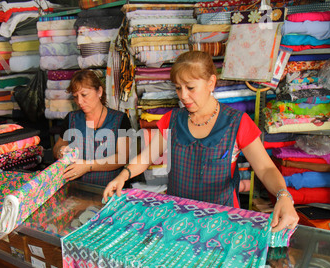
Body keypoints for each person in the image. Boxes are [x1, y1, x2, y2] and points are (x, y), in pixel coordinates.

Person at [103, 51, 299, 232]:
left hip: (221, 222)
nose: (183, 96)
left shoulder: (236, 123)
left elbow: (265, 169)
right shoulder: (172, 119)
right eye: (178, 88)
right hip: (178, 218)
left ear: (211, 83)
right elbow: (146, 158)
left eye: (190, 88)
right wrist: (123, 176)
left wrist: (284, 196)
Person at [53, 69, 132, 186]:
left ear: (99, 91)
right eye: (75, 97)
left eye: (84, 95)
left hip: (110, 189)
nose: (79, 101)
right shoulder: (71, 119)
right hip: (77, 190)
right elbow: (57, 147)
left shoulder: (120, 119)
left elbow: (122, 157)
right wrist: (61, 151)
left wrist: (87, 166)